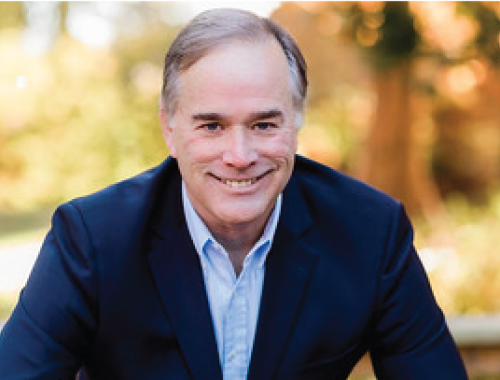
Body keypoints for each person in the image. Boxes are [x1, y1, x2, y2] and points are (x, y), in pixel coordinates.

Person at [0, 8, 468, 380]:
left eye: (264, 124)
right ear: (169, 128)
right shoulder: (92, 240)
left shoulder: (370, 233)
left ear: (297, 120)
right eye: (212, 126)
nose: (240, 155)